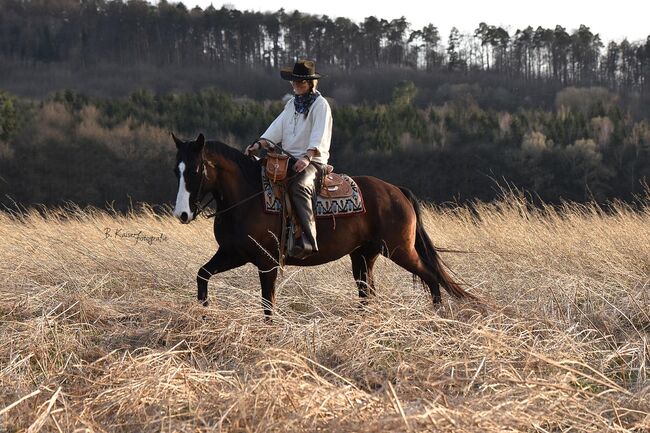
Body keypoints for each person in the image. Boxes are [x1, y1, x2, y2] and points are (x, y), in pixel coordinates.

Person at [246, 59, 332, 259]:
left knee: (300, 186)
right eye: (294, 81)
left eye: (300, 81)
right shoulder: (291, 104)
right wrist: (259, 144)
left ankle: (308, 240)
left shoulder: (321, 105)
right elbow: (276, 129)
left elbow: (320, 134)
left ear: (310, 83)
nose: (295, 84)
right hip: (287, 160)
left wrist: (308, 157)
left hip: (313, 162)